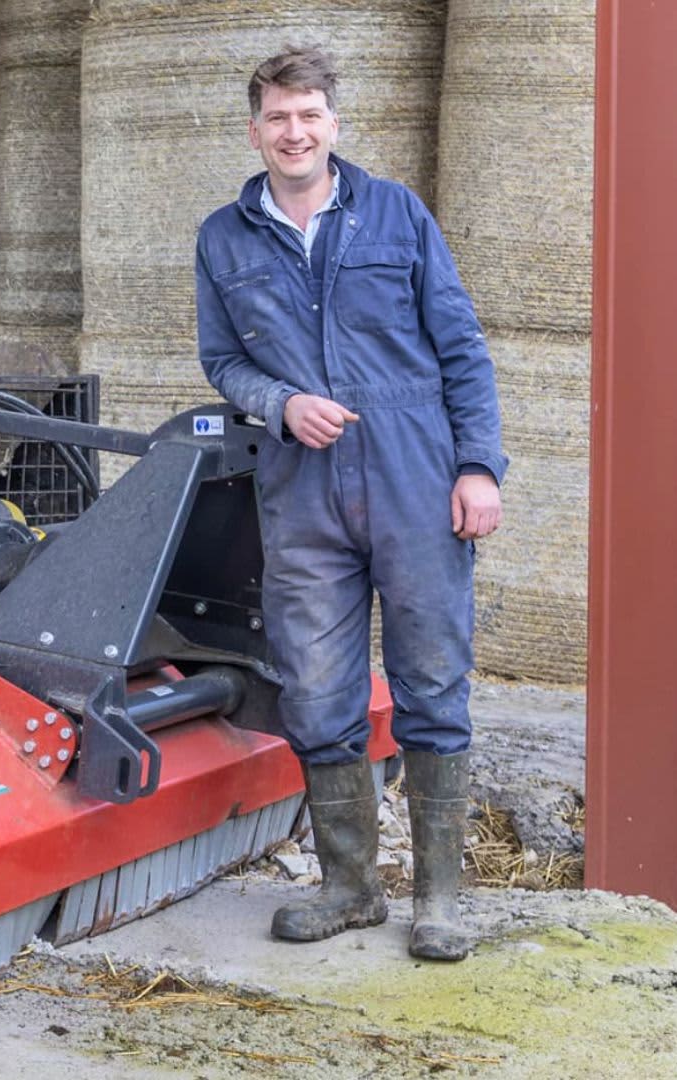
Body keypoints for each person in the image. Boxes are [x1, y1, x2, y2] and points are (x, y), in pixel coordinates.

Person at [193, 46, 507, 961]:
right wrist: (278, 404)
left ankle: (439, 899)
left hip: (414, 472)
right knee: (318, 689)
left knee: (433, 682)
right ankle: (349, 886)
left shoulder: (396, 213)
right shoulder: (224, 237)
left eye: (310, 115)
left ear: (333, 123)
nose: (295, 132)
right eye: (277, 119)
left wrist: (478, 467)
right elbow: (224, 361)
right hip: (305, 490)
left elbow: (462, 346)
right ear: (255, 132)